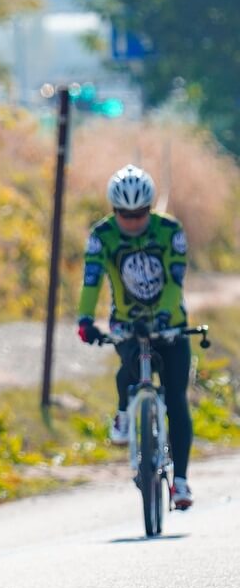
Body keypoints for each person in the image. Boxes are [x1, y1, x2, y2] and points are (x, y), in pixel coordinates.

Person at [77, 164, 194, 509]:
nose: (132, 221)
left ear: (150, 208)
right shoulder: (103, 235)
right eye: (124, 215)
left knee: (176, 398)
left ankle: (182, 482)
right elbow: (92, 280)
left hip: (169, 322)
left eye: (139, 213)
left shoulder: (170, 230)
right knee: (128, 366)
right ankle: (124, 413)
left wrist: (162, 316)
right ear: (114, 211)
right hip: (126, 320)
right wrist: (85, 319)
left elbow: (174, 282)